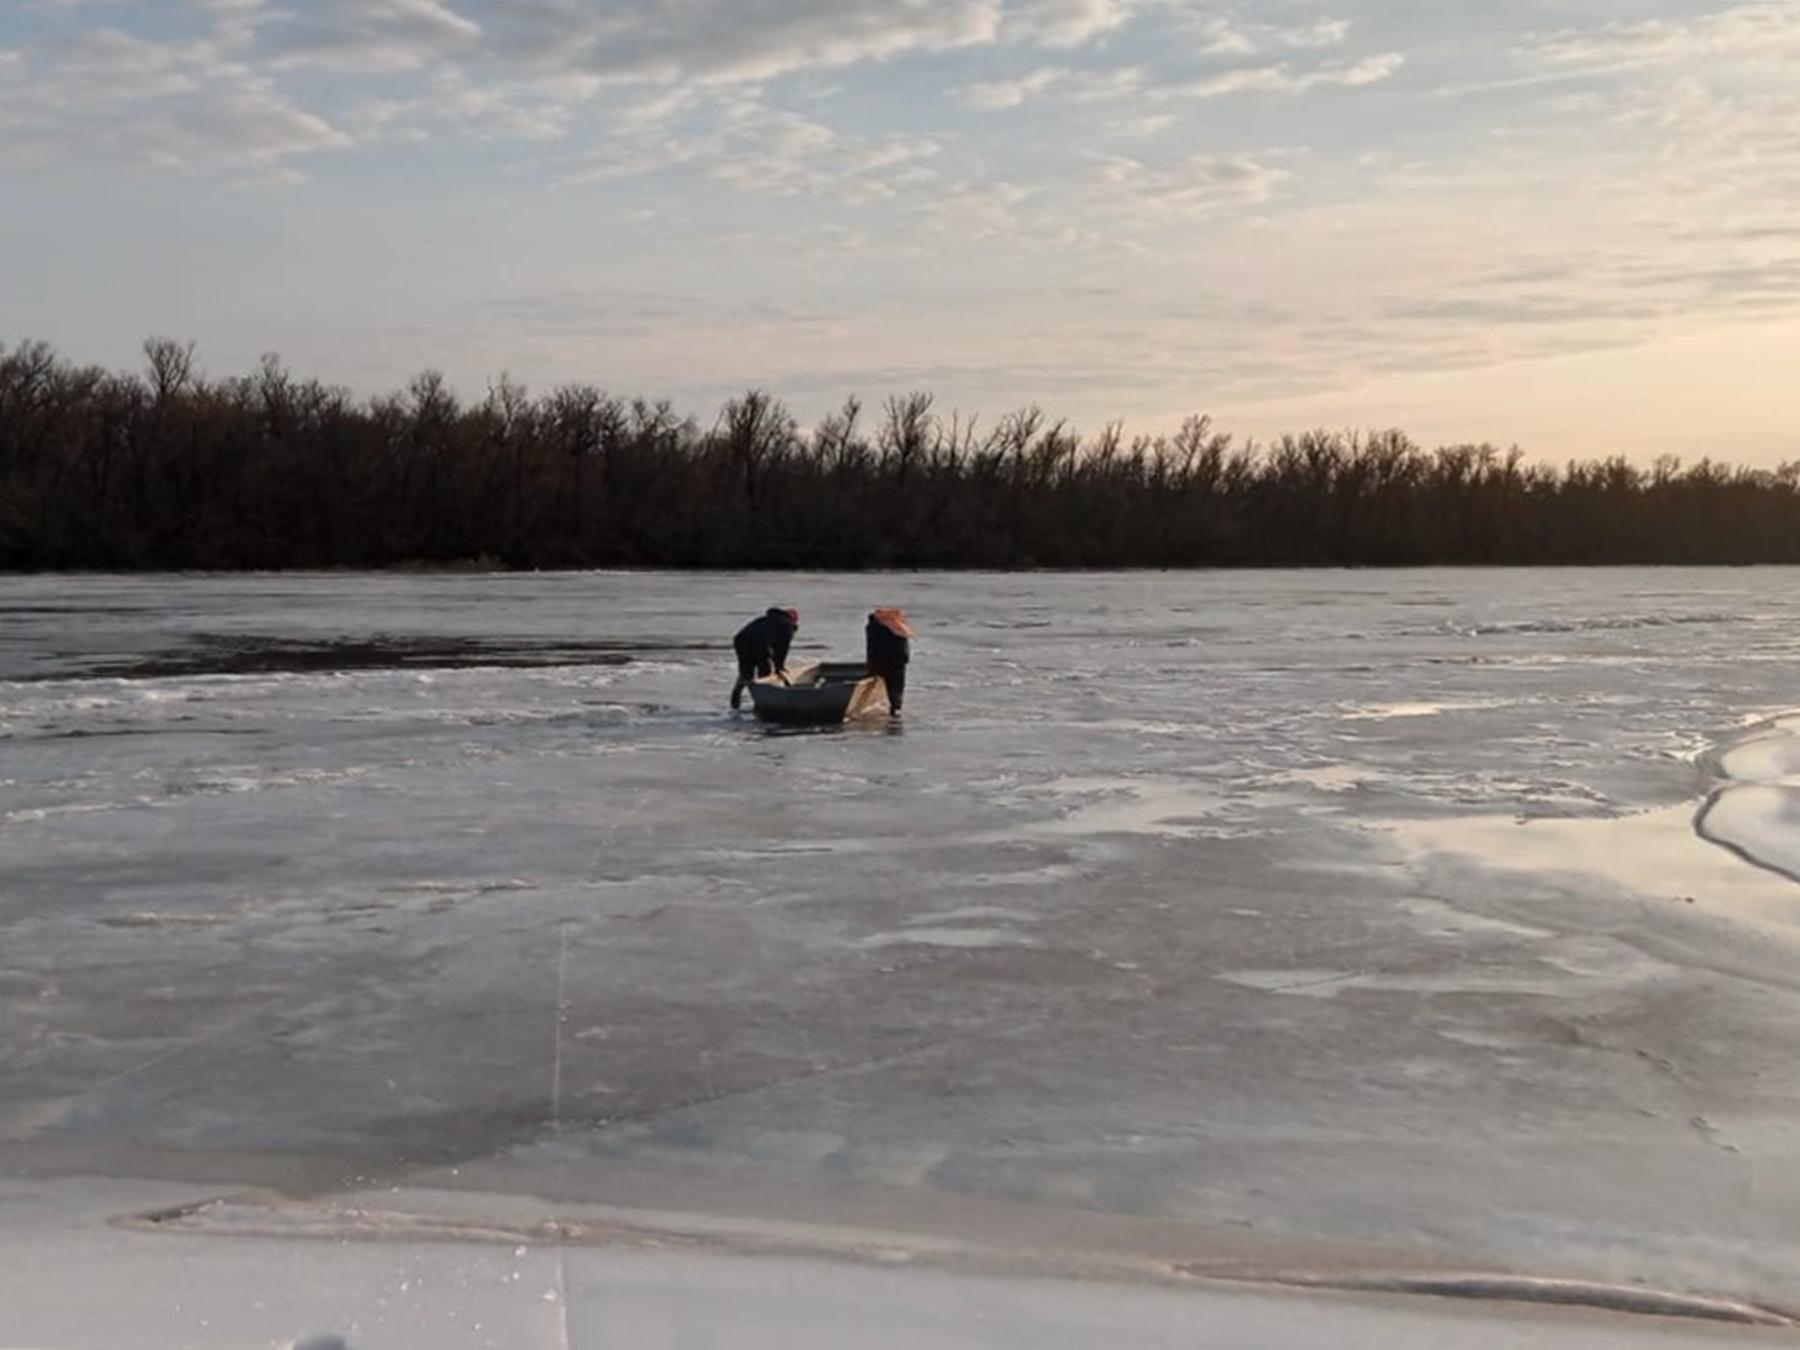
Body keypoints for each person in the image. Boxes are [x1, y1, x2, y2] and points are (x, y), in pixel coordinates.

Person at [730, 606, 799, 710]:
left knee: (747, 670)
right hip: (759, 644)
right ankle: (762, 701)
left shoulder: (766, 619)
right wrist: (779, 667)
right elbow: (781, 649)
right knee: (764, 671)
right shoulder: (787, 626)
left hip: (741, 640)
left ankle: (738, 690)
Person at [865, 607, 913, 717]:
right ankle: (895, 709)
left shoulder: (873, 628)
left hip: (880, 663)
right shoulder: (897, 629)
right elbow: (903, 650)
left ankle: (892, 707)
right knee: (896, 690)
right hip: (894, 664)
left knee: (880, 686)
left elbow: (872, 648)